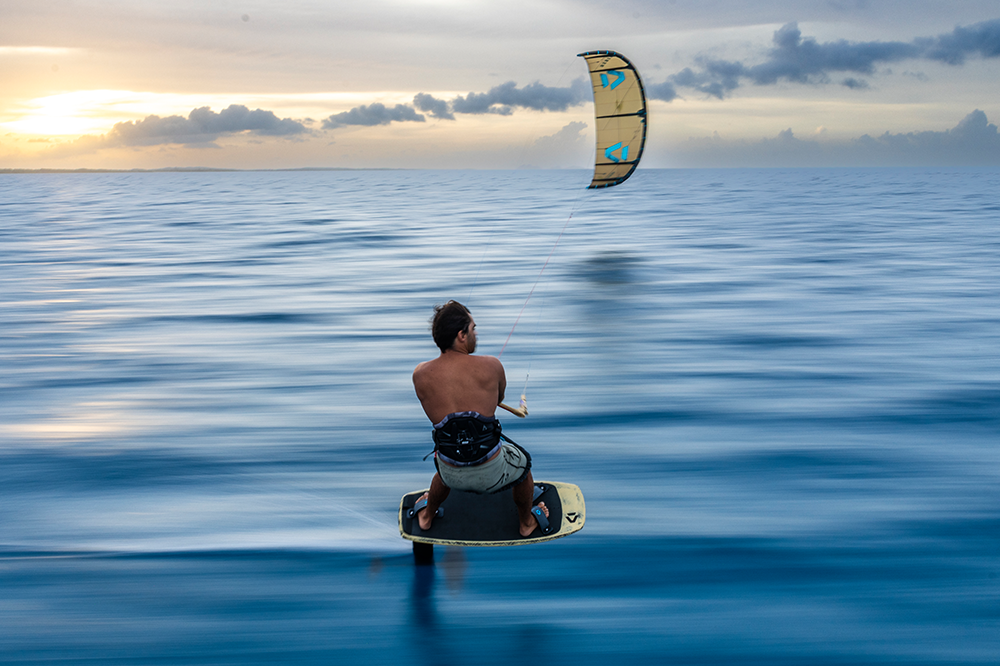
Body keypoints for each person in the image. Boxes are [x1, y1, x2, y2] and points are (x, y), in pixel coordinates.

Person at [412, 300, 547, 537]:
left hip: (449, 470)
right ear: (461, 335)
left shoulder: (420, 375)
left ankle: (426, 516)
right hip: (491, 470)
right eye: (473, 329)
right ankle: (526, 522)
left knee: (445, 462)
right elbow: (498, 398)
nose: (476, 334)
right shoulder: (492, 366)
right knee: (524, 465)